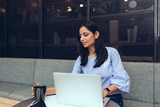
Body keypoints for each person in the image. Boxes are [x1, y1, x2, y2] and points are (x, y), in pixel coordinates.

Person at [33, 21, 130, 107]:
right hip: (89, 98)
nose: (82, 39)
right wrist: (43, 91)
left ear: (96, 34)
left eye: (85, 35)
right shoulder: (81, 58)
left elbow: (121, 80)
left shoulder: (111, 53)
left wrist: (105, 91)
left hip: (111, 98)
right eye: (80, 36)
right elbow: (72, 83)